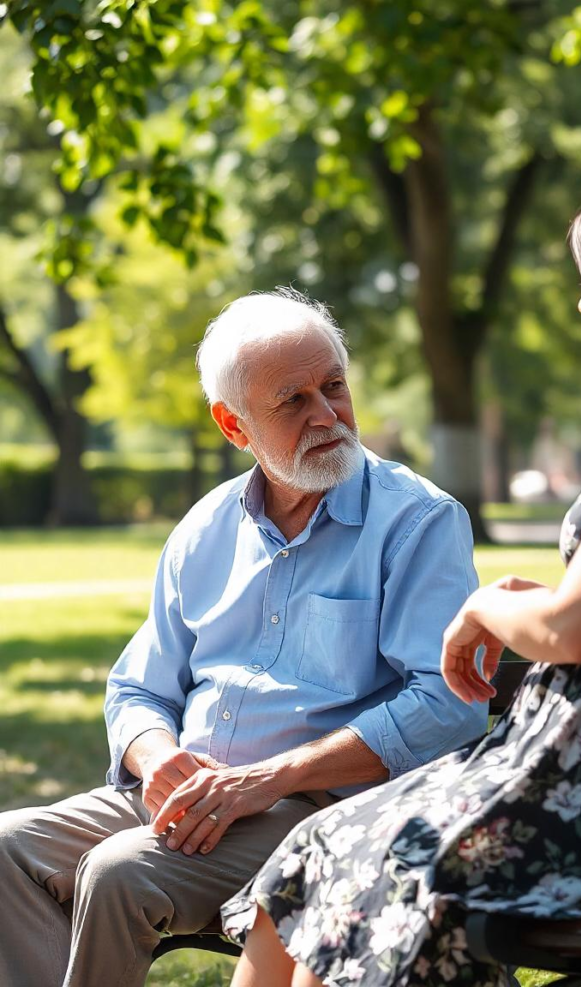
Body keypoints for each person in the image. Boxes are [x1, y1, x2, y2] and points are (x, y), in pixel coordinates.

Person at [221, 172, 581, 987]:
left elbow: (577, 629)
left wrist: (484, 604)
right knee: (316, 854)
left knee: (380, 875)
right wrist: (525, 600)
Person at [0, 288, 486, 987]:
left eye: (334, 386)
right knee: (9, 847)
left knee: (117, 872)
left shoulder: (416, 521)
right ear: (234, 426)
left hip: (319, 809)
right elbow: (138, 685)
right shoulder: (204, 528)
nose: (326, 414)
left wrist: (268, 779)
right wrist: (158, 755)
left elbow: (448, 702)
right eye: (292, 400)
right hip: (190, 797)